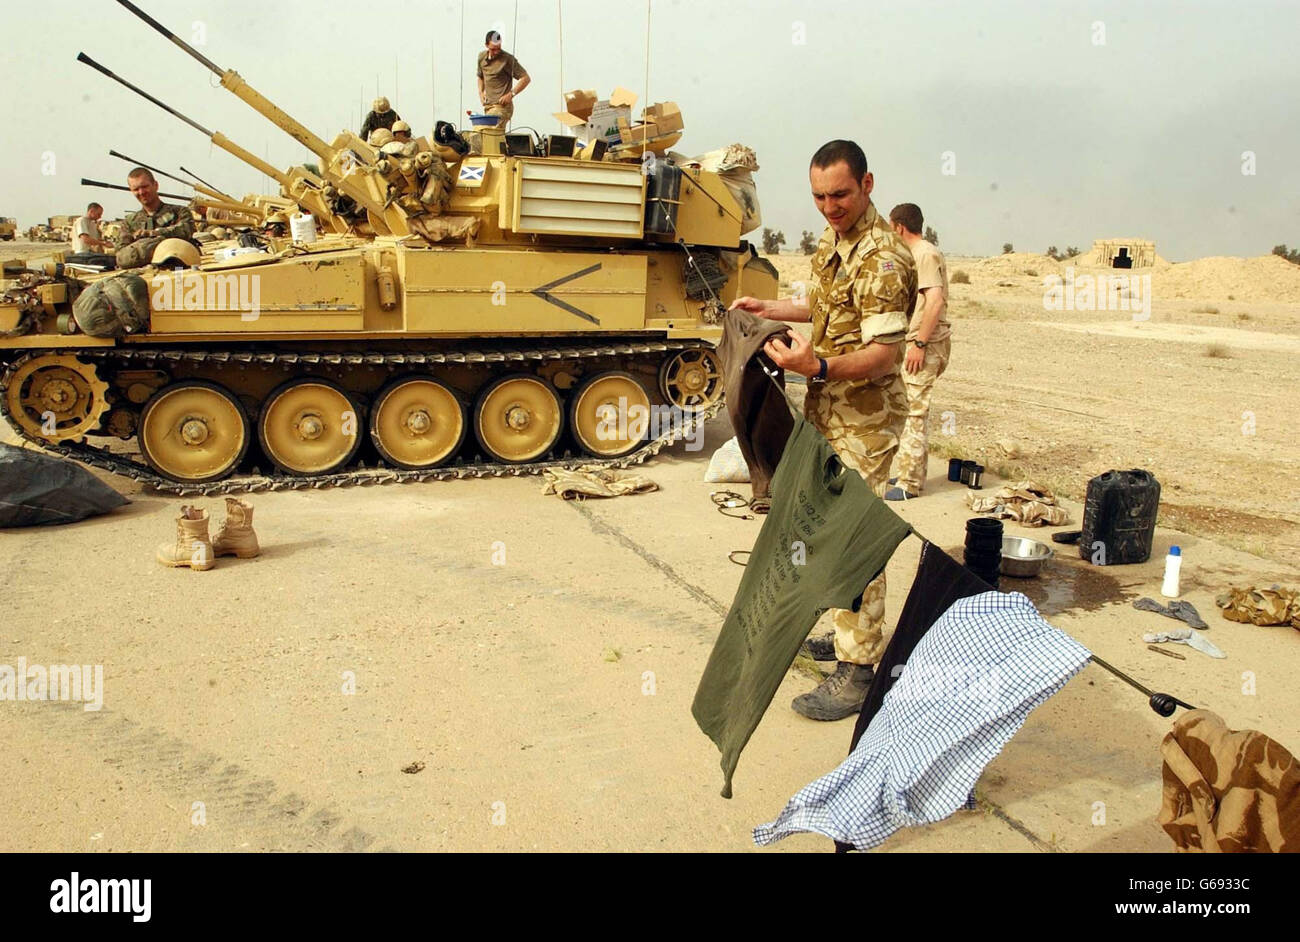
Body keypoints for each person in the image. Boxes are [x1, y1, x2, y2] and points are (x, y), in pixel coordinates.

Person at [729, 140, 916, 721]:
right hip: (829, 411)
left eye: (839, 195)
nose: (829, 207)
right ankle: (843, 637)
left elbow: (884, 353)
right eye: (818, 196)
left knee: (853, 541)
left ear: (867, 185)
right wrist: (772, 309)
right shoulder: (837, 243)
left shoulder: (884, 260)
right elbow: (827, 309)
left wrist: (819, 367)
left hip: (865, 420)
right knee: (818, 530)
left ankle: (859, 670)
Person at [885, 203, 952, 501]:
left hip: (925, 345)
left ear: (899, 227)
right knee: (908, 408)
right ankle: (911, 471)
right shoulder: (920, 253)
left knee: (914, 411)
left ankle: (910, 484)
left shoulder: (924, 254)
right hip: (919, 343)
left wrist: (920, 344)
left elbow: (934, 302)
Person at [115, 168, 195, 269]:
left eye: (145, 186)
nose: (141, 192)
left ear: (155, 185)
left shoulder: (179, 212)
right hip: (143, 274)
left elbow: (186, 229)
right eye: (136, 189)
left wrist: (154, 234)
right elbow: (121, 254)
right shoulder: (129, 222)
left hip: (178, 269)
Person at [476, 30, 530, 128]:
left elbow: (525, 78)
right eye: (493, 49)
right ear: (486, 45)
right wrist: (481, 92)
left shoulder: (507, 59)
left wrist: (511, 94)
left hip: (502, 107)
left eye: (499, 48)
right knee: (489, 136)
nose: (496, 52)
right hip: (488, 107)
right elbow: (480, 76)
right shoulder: (481, 57)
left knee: (485, 130)